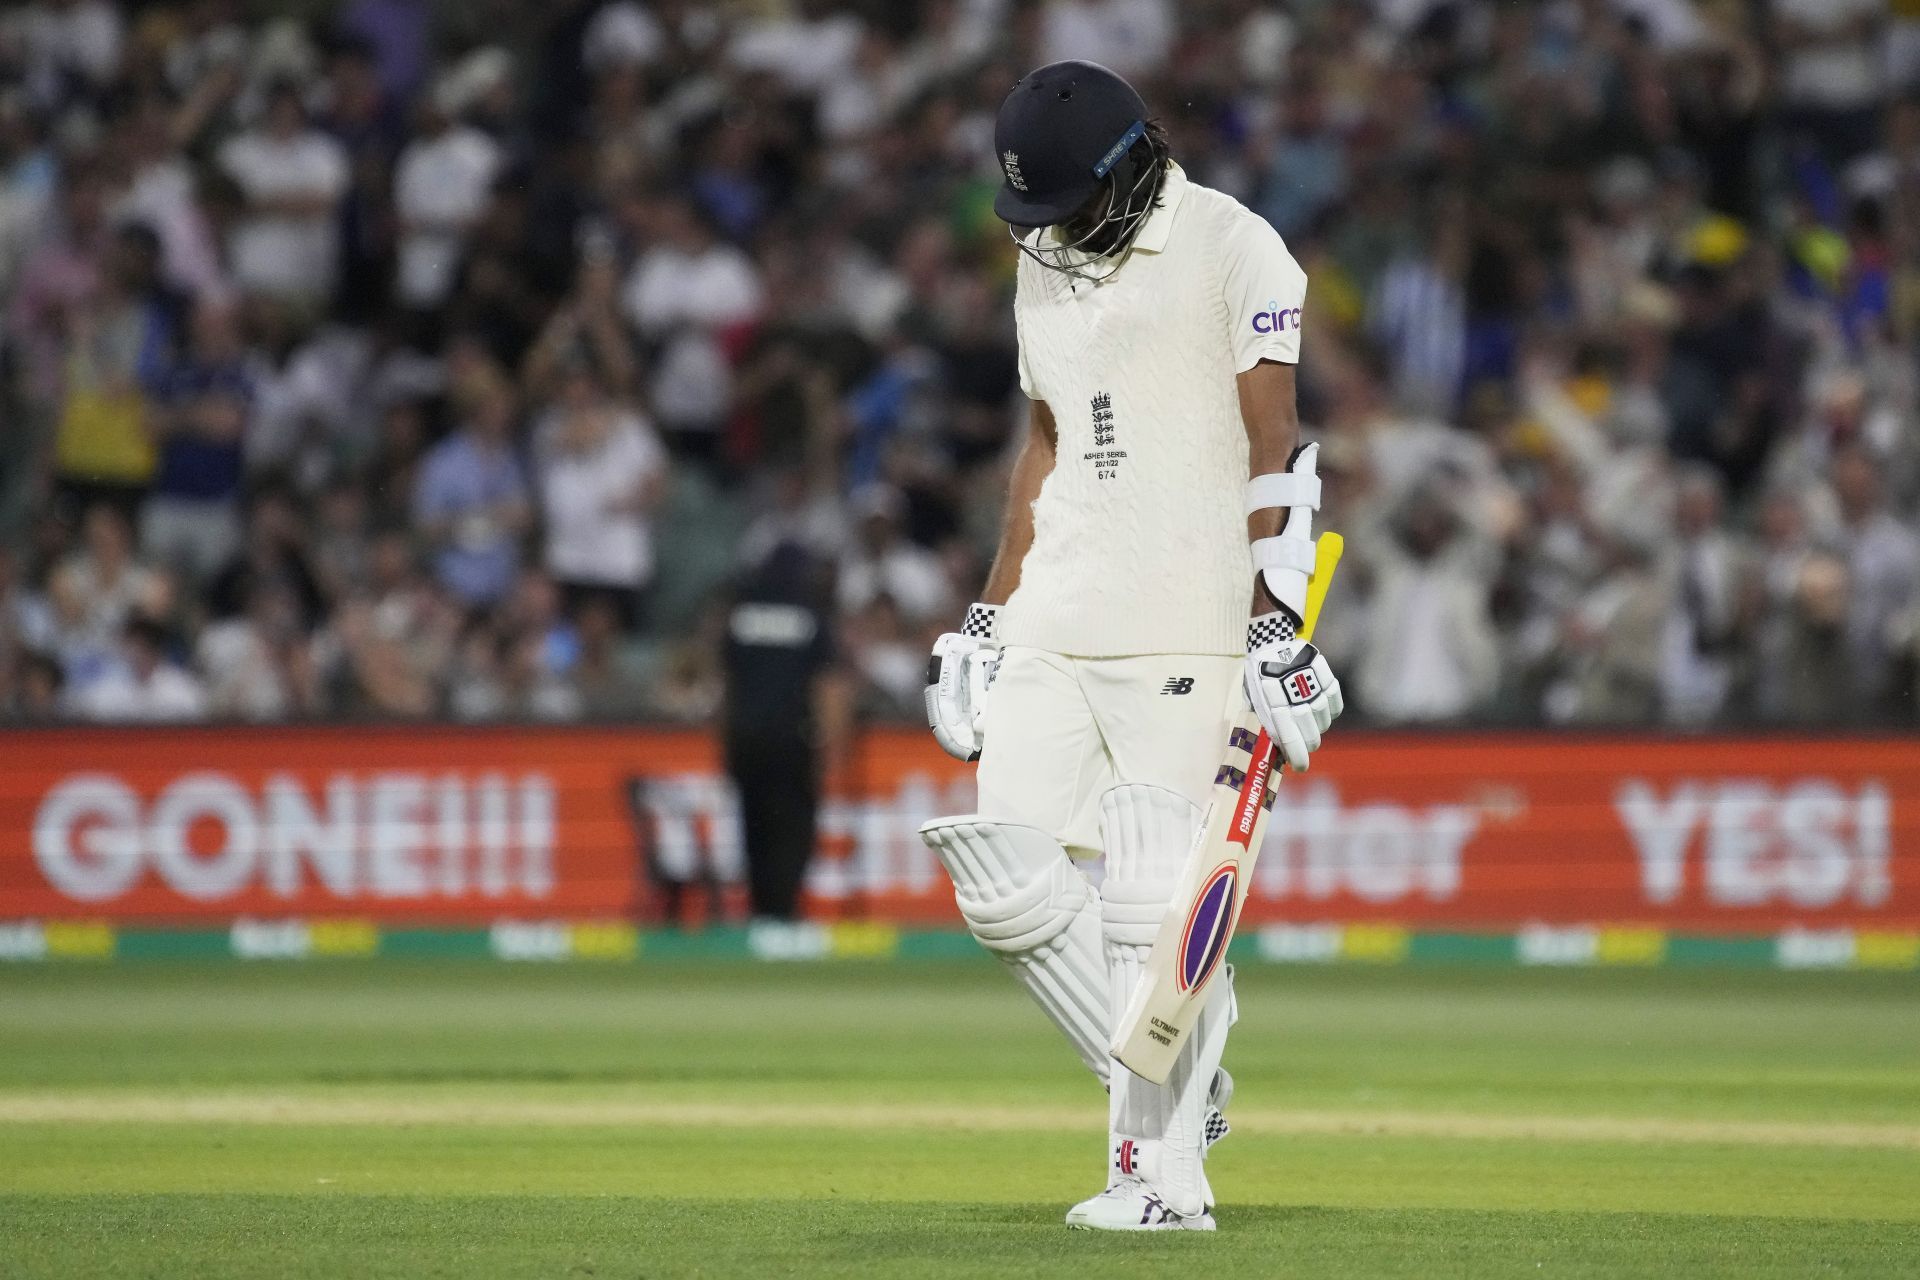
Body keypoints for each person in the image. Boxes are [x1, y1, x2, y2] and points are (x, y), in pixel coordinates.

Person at [917, 61, 1343, 1232]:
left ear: (1128, 166)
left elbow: (1278, 443)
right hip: (1062, 607)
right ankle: (1171, 1076)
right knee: (1000, 876)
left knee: (1148, 891)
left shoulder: (1233, 245)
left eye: (1064, 210)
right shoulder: (1041, 265)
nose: (1047, 240)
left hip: (1192, 613)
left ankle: (1161, 1181)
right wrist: (989, 616)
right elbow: (1045, 442)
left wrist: (1278, 616)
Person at [721, 542, 852, 925]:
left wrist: (728, 744)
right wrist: (830, 749)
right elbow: (828, 686)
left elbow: (728, 684)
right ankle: (782, 912)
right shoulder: (809, 614)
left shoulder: (741, 614)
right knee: (793, 829)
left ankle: (760, 912)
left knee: (753, 826)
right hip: (792, 740)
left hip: (747, 739)